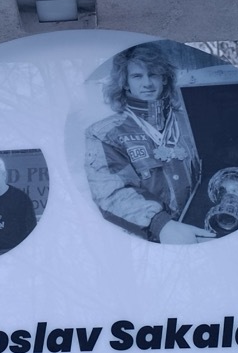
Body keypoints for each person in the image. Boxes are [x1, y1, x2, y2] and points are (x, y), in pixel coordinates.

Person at [84, 43, 215, 244]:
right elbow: (111, 192)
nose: (147, 83)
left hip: (204, 230)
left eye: (153, 74)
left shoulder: (192, 119)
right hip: (151, 242)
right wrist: (160, 225)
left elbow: (221, 164)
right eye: (137, 76)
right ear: (125, 83)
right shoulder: (105, 134)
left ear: (164, 79)